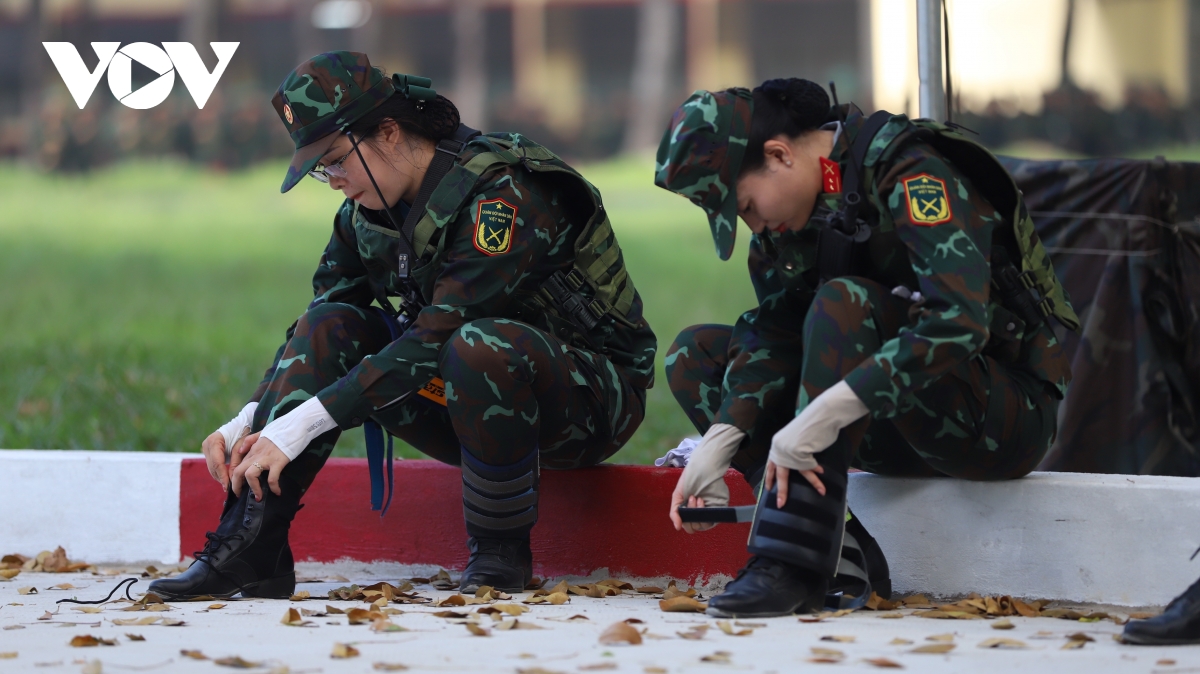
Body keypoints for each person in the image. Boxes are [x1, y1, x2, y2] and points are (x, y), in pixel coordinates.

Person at [150, 52, 656, 600]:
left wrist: (298, 426)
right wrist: (251, 417)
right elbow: (321, 325)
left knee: (477, 344)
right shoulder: (367, 212)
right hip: (462, 397)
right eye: (321, 168)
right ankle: (252, 547)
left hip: (586, 401)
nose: (333, 181)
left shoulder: (502, 196)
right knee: (333, 325)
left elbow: (438, 335)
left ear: (388, 132)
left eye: (336, 160)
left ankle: (499, 553)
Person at [655, 79, 1079, 618]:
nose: (753, 225)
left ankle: (795, 563)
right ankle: (842, 551)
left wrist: (829, 409)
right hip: (889, 423)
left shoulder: (910, 172)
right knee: (699, 354)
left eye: (746, 206)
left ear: (779, 154)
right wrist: (726, 434)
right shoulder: (789, 224)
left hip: (995, 416)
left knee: (842, 304)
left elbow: (960, 321)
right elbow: (776, 337)